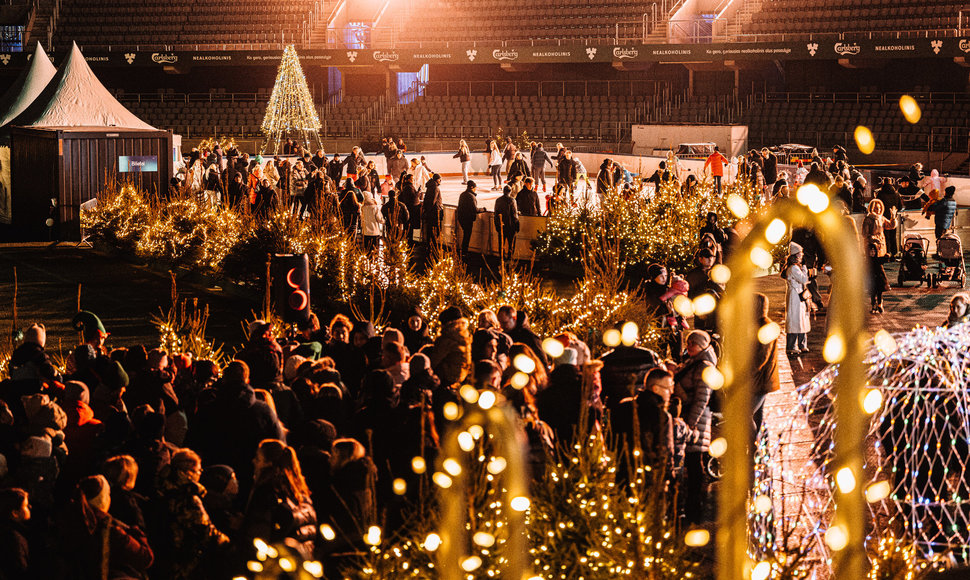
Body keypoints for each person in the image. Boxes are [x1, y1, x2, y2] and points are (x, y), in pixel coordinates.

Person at [152, 449, 229, 579]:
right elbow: (206, 531)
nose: (200, 474)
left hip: (165, 558)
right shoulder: (189, 497)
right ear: (188, 472)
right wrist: (227, 541)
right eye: (198, 470)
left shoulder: (163, 489)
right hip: (184, 561)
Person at [243, 439, 318, 561]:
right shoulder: (302, 495)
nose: (253, 462)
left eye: (258, 458)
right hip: (301, 564)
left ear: (269, 464)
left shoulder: (267, 493)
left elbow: (258, 534)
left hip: (276, 565)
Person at [674, 330, 716, 525]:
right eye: (688, 343)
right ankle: (691, 506)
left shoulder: (704, 366)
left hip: (696, 421)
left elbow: (701, 399)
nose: (688, 346)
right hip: (690, 420)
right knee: (691, 461)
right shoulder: (694, 363)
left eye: (693, 343)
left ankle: (694, 508)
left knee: (694, 462)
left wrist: (691, 424)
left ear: (702, 346)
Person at [750, 293, 779, 436]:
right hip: (760, 380)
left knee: (746, 415)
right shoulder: (757, 324)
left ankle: (754, 446)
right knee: (758, 415)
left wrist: (747, 372)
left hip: (760, 380)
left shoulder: (765, 326)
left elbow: (762, 357)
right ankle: (762, 447)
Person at [782, 251, 810, 356]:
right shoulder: (794, 268)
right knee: (795, 320)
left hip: (798, 295)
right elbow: (803, 279)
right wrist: (804, 269)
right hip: (795, 295)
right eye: (800, 255)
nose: (801, 257)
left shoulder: (794, 268)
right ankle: (792, 346)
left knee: (801, 319)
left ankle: (802, 344)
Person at [455, 181, 485, 259]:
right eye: (475, 188)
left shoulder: (463, 194)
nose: (475, 189)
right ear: (472, 187)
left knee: (466, 235)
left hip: (461, 217)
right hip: (467, 219)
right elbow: (475, 209)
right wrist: (483, 209)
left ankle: (463, 251)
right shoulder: (471, 196)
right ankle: (464, 252)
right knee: (467, 236)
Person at [876, 178, 903, 258]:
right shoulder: (896, 194)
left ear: (883, 183)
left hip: (883, 218)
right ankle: (894, 253)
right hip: (893, 217)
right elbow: (900, 207)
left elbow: (877, 204)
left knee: (885, 236)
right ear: (891, 184)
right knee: (893, 236)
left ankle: (887, 252)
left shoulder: (880, 194)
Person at [493, 185, 519, 261]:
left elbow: (496, 214)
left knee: (501, 244)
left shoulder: (498, 200)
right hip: (510, 226)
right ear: (510, 192)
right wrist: (517, 225)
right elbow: (514, 214)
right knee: (511, 244)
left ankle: (501, 259)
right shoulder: (512, 200)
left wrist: (496, 225)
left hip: (501, 226)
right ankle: (510, 259)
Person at [867, 241, 890, 314]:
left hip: (879, 279)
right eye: (871, 251)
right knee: (872, 293)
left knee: (879, 293)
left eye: (874, 251)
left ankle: (880, 305)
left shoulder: (877, 259)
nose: (873, 253)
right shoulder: (867, 261)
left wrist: (887, 256)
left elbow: (883, 259)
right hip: (871, 280)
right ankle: (873, 305)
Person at [422, 173, 444, 249]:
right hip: (434, 212)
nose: (441, 180)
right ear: (437, 180)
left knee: (429, 229)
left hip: (430, 212)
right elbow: (432, 201)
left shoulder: (430, 186)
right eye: (440, 179)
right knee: (436, 230)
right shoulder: (435, 188)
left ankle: (429, 245)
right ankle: (433, 246)